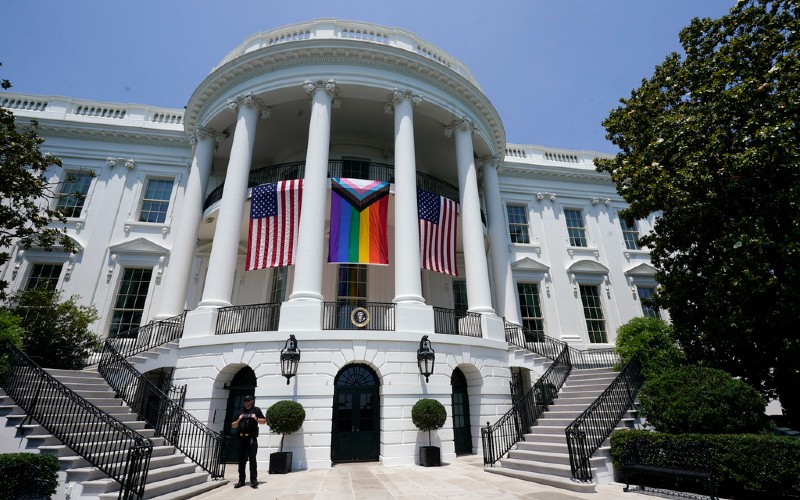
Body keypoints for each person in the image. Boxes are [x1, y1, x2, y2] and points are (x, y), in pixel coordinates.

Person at [231, 395, 265, 488]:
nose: (246, 402)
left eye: (247, 400)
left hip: (251, 439)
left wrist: (256, 418)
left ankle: (253, 480)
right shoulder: (240, 411)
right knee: (241, 460)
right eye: (244, 400)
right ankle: (241, 480)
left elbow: (264, 421)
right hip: (241, 439)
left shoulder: (256, 410)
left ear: (252, 401)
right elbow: (233, 425)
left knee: (252, 459)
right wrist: (239, 419)